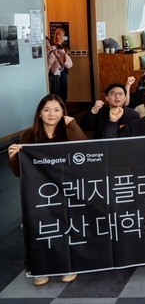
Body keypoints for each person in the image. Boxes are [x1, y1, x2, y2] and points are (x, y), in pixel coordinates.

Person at [7, 94, 87, 286]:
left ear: (63, 113)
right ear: (39, 114)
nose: (52, 114)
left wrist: (73, 126)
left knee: (66, 227)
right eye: (47, 110)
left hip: (66, 190)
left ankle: (67, 264)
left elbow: (84, 153)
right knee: (40, 230)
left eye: (57, 110)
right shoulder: (29, 135)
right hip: (39, 193)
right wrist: (13, 158)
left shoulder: (68, 131)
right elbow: (19, 172)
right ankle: (40, 267)